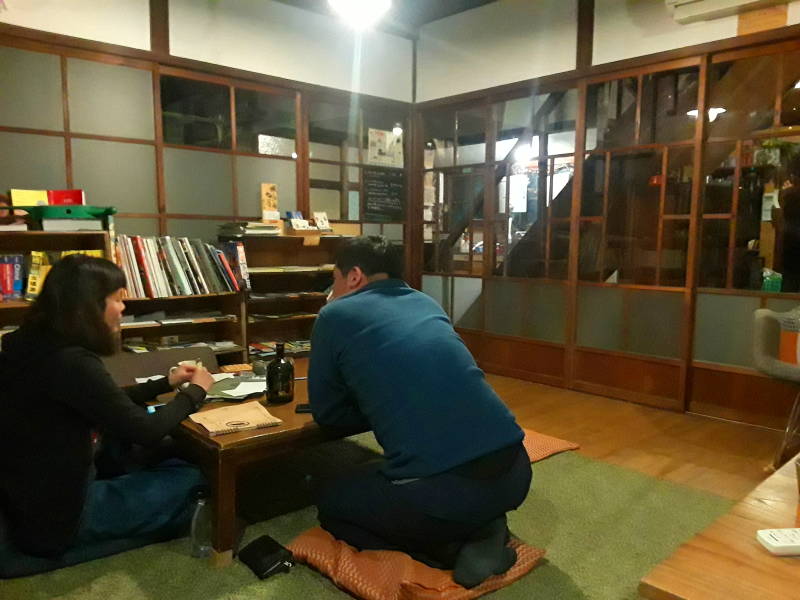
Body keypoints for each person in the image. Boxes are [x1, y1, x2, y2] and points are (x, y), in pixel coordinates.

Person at [308, 236, 531, 588]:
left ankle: (450, 549)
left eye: (333, 280)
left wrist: (373, 401)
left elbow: (328, 415)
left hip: (444, 494)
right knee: (382, 469)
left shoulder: (334, 314)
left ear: (353, 277)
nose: (331, 290)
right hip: (516, 470)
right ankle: (485, 523)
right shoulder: (425, 302)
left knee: (332, 500)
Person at [0, 254, 214, 577]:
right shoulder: (72, 363)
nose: (123, 309)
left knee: (166, 453)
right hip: (62, 514)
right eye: (117, 299)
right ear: (89, 306)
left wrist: (164, 383)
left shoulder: (29, 344)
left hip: (30, 494)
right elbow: (145, 429)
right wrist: (196, 391)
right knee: (191, 476)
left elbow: (102, 402)